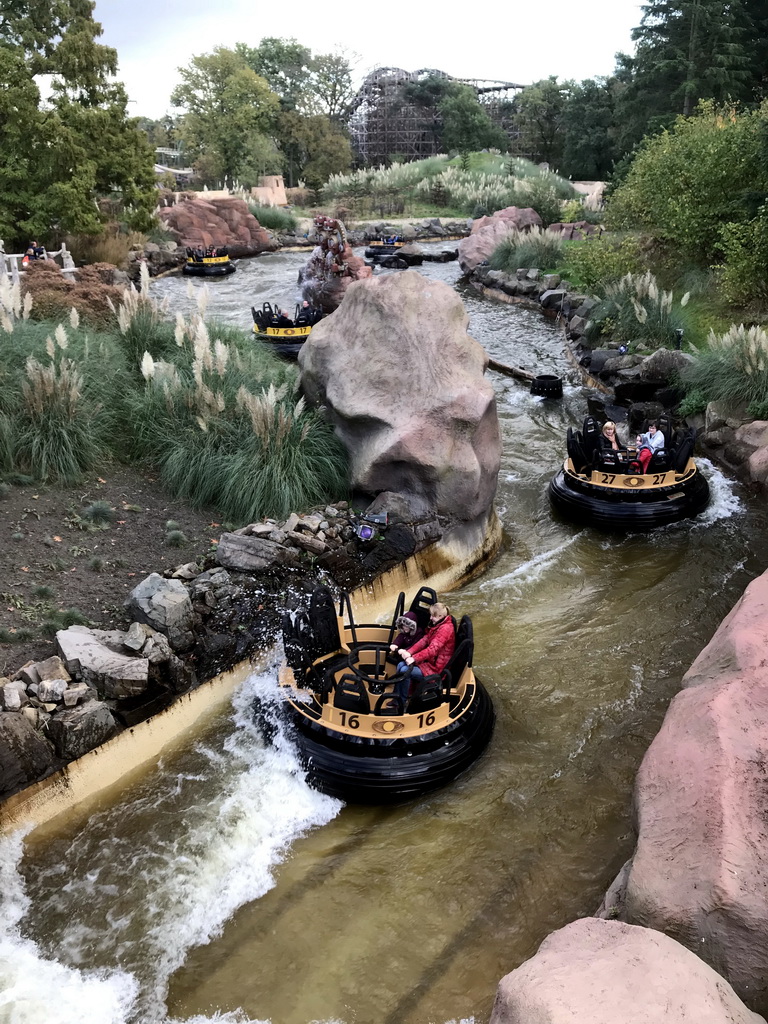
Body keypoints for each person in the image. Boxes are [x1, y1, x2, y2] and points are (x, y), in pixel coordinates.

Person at [393, 602, 455, 709]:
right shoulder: (437, 626)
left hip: (436, 668)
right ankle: (397, 698)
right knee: (400, 665)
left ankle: (402, 702)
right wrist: (409, 652)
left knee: (404, 671)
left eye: (433, 616)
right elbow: (424, 640)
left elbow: (432, 650)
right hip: (429, 663)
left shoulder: (445, 629)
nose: (430, 618)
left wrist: (414, 658)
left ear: (440, 616)